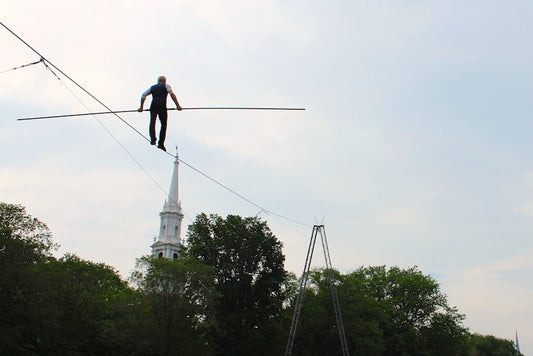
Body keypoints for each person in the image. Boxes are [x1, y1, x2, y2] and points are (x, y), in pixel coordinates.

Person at [138, 76, 182, 151]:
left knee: (152, 122)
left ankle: (153, 139)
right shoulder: (166, 86)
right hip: (162, 106)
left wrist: (141, 107)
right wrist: (177, 105)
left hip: (153, 106)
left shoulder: (152, 87)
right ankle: (161, 144)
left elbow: (143, 95)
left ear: (158, 81)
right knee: (163, 125)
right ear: (165, 81)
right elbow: (172, 94)